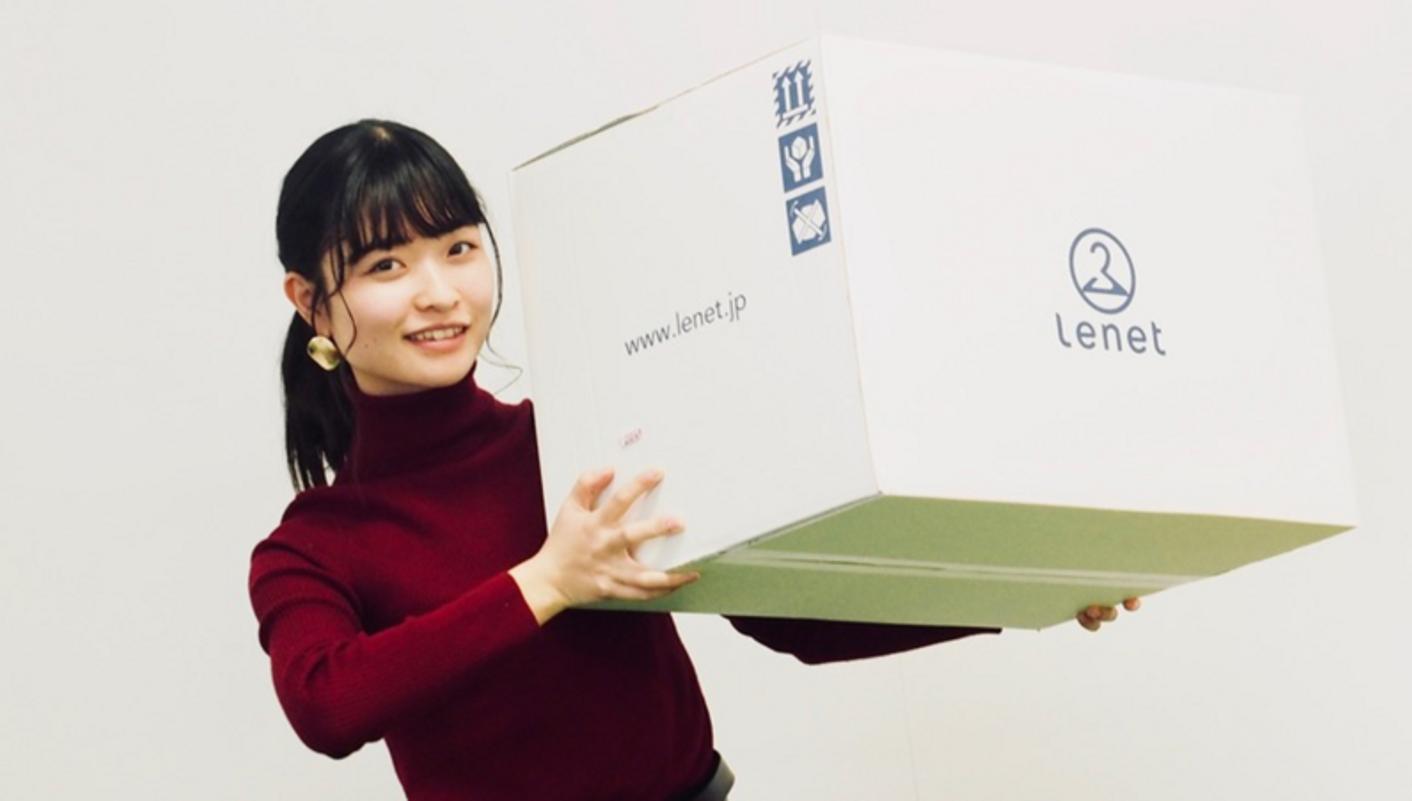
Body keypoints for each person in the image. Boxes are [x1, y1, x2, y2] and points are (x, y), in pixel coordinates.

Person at [247, 119, 1141, 801]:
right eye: (387, 266)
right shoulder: (314, 545)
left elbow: (789, 620)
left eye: (459, 249)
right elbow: (328, 704)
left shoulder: (583, 447)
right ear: (310, 301)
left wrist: (1030, 589)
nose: (440, 292)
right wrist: (549, 579)